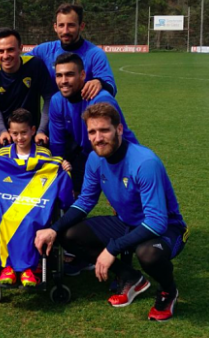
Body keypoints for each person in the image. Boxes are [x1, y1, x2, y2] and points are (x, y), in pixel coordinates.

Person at [34, 103, 189, 321]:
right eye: (92, 132)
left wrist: (112, 249)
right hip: (127, 223)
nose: (98, 138)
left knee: (149, 254)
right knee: (69, 235)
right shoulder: (95, 159)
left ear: (119, 130)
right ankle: (130, 277)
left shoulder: (145, 162)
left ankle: (168, 291)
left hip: (167, 229)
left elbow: (156, 222)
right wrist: (53, 229)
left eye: (104, 130)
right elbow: (85, 201)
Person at [0, 108, 74, 287]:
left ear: (33, 130)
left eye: (24, 133)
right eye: (15, 133)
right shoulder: (1, 156)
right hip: (8, 204)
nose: (20, 138)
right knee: (3, 218)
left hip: (33, 205)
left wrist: (64, 170)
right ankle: (8, 268)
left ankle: (28, 269)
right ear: (10, 133)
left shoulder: (45, 156)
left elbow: (56, 177)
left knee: (30, 220)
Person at [0, 4, 117, 100]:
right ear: (55, 27)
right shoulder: (44, 50)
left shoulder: (94, 54)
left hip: (85, 119)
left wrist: (99, 83)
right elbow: (17, 60)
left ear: (81, 26)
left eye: (71, 25)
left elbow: (111, 87)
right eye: (61, 25)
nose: (65, 31)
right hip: (55, 118)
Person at [49, 52, 138, 196]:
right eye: (59, 75)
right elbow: (57, 144)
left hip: (117, 154)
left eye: (69, 74)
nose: (63, 80)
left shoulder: (101, 99)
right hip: (85, 153)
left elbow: (118, 141)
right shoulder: (56, 101)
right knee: (71, 194)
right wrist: (58, 169)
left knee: (125, 202)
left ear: (83, 75)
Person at [0, 28, 56, 152]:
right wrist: (2, 131)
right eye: (1, 51)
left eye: (10, 49)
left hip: (33, 136)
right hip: (4, 137)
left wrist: (41, 130)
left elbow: (49, 98)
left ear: (20, 48)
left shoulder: (35, 65)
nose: (5, 56)